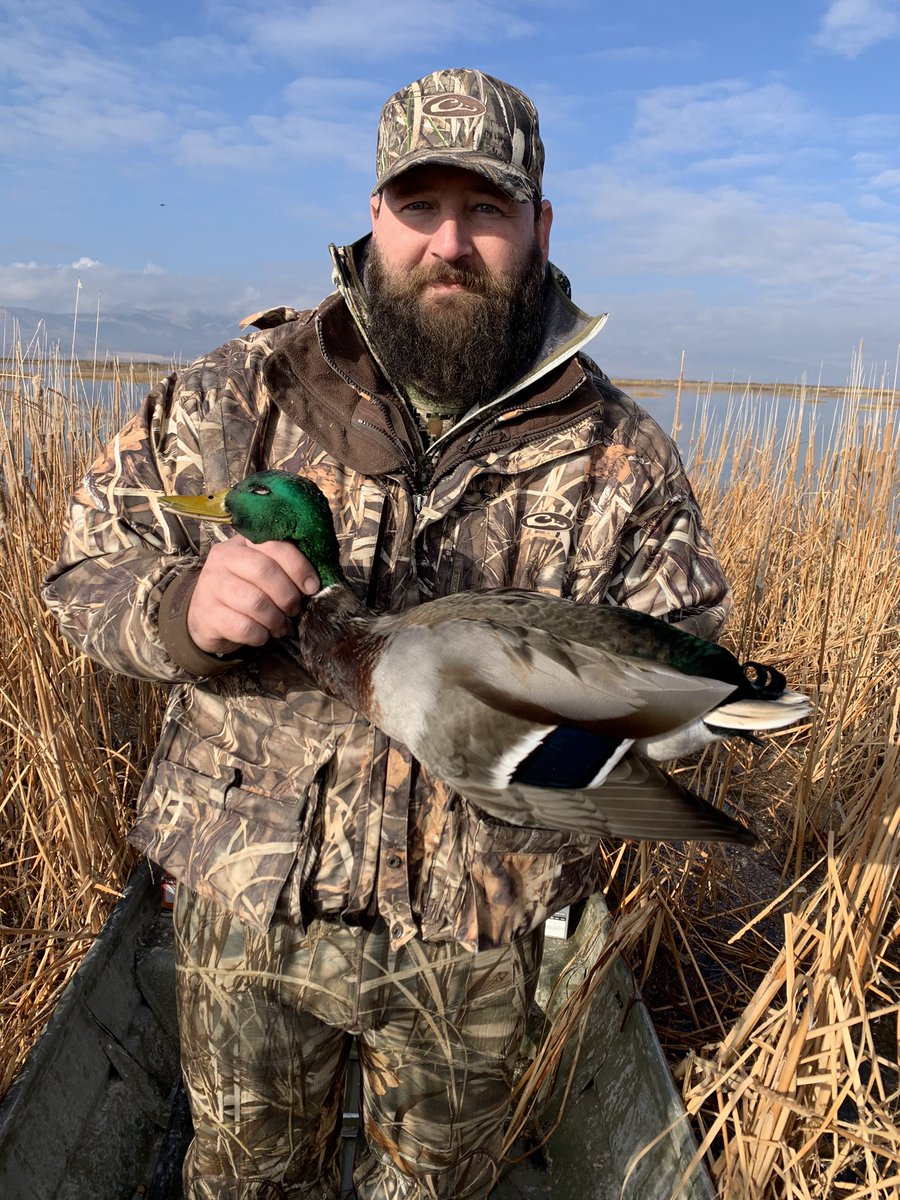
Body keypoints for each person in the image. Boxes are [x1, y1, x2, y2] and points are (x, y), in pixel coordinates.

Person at [43, 68, 731, 1200]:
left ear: (539, 225)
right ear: (375, 215)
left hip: (483, 937)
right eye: (422, 206)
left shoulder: (623, 457)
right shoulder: (239, 392)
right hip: (246, 907)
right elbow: (80, 574)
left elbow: (682, 683)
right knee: (244, 1181)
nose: (449, 242)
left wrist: (583, 715)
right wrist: (181, 610)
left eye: (488, 209)